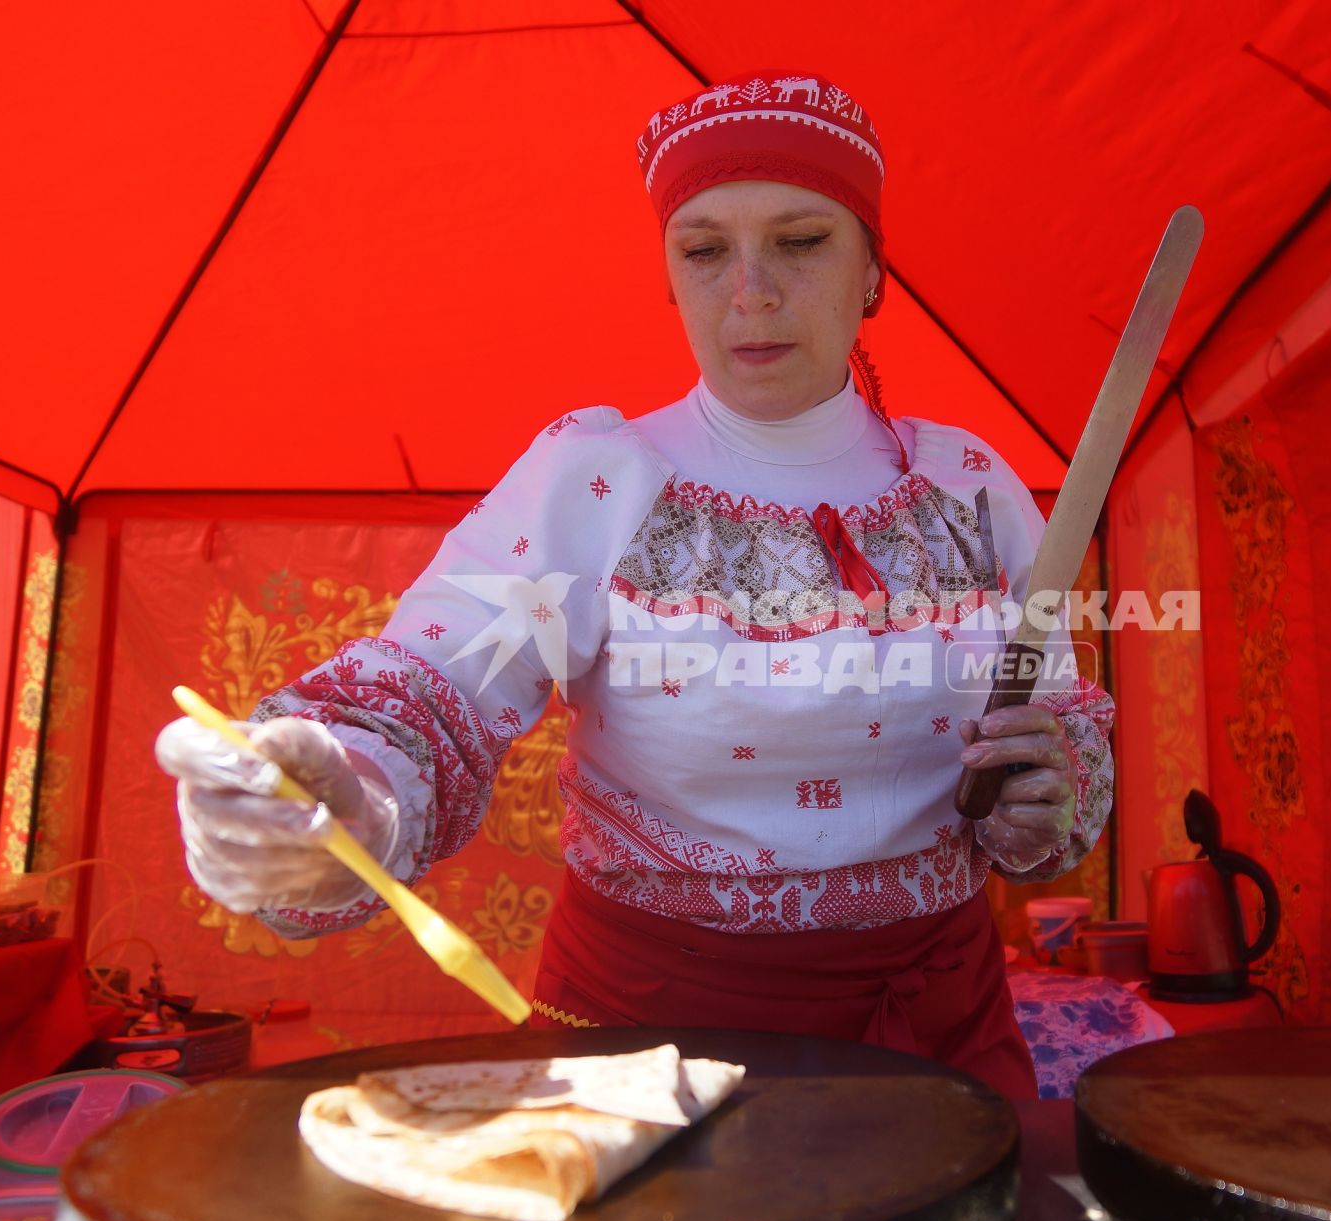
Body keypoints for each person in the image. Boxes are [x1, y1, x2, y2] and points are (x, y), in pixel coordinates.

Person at [153, 71, 1115, 1102]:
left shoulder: (967, 486)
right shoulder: (600, 479)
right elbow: (441, 674)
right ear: (668, 274)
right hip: (648, 1039)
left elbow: (1055, 711)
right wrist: (346, 794)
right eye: (704, 250)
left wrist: (1044, 794)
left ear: (873, 270)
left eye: (800, 240)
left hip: (931, 1029)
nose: (749, 290)